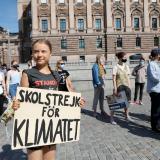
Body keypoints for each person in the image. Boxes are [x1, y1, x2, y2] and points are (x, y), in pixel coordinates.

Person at [12, 39, 85, 160]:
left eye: (43, 51)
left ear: (50, 53)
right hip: (33, 128)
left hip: (51, 128)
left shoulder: (56, 75)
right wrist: (16, 104)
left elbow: (65, 95)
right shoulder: (27, 73)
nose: (39, 54)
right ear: (32, 54)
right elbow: (22, 99)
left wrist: (77, 101)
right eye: (36, 51)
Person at [111, 52, 134, 124]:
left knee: (127, 102)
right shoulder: (115, 67)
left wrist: (130, 86)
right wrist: (115, 88)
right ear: (120, 58)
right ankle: (111, 118)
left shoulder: (126, 66)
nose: (125, 59)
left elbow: (128, 77)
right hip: (119, 86)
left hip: (126, 86)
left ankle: (126, 115)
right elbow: (114, 79)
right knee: (116, 103)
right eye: (124, 57)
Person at [147, 48, 160, 132]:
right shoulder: (151, 64)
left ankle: (157, 124)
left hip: (157, 89)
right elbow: (153, 77)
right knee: (155, 109)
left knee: (158, 108)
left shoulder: (155, 64)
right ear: (157, 55)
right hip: (154, 90)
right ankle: (154, 126)